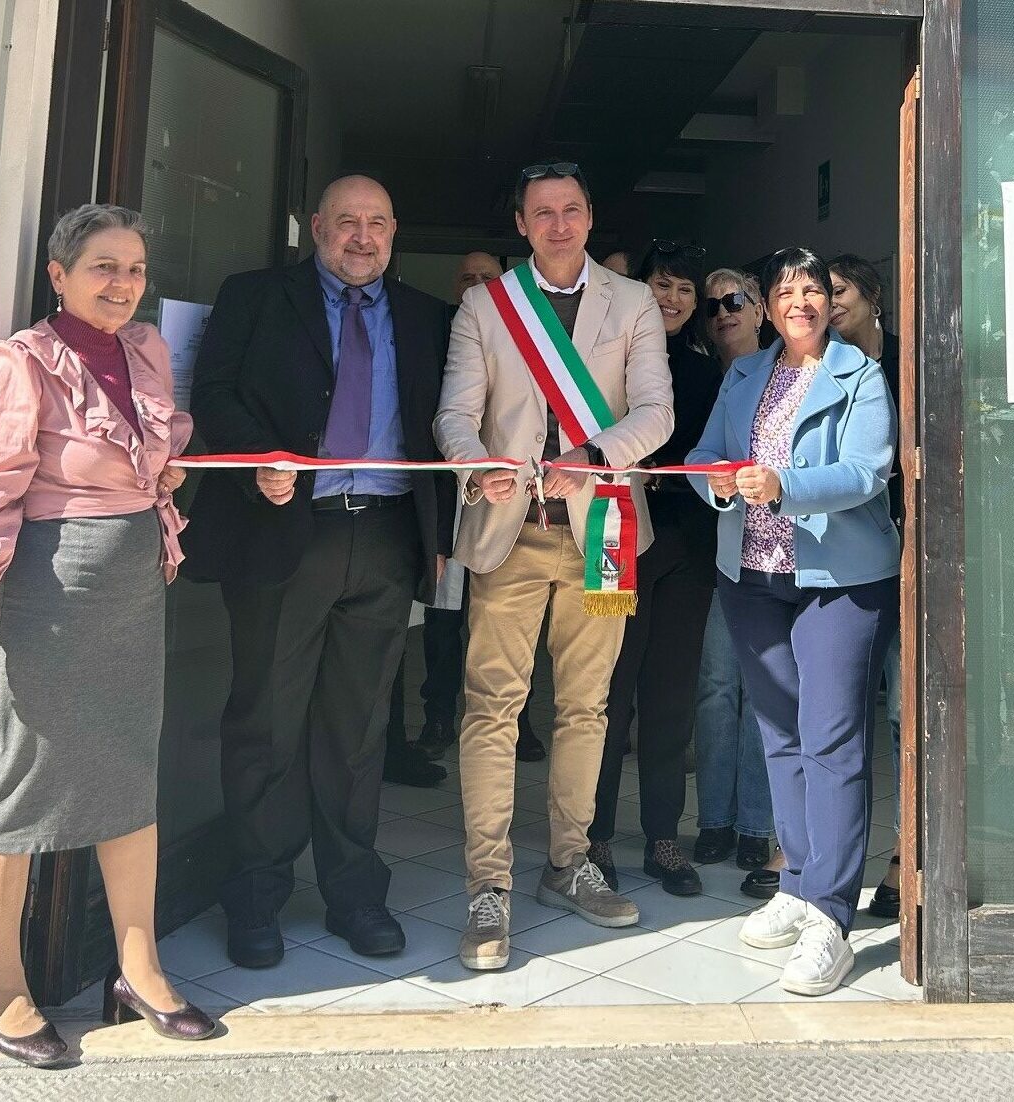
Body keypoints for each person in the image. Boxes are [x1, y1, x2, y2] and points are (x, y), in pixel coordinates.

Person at [0, 203, 215, 1066]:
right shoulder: (21, 361)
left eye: (134, 269)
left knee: (131, 771)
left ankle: (140, 968)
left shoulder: (146, 350)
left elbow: (159, 448)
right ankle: (3, 985)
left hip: (134, 587)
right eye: (103, 267)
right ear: (58, 275)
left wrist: (172, 468)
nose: (123, 284)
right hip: (48, 593)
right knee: (25, 782)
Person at [183, 175, 454, 969]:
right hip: (283, 533)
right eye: (346, 223)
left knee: (359, 726)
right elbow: (214, 393)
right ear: (315, 227)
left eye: (378, 223)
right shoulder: (255, 296)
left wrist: (452, 522)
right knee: (266, 721)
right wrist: (257, 460)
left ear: (394, 231)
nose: (363, 238)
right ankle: (256, 893)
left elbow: (446, 423)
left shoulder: (427, 316)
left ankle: (354, 892)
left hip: (387, 536)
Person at [435, 161, 672, 970]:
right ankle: (487, 887)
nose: (559, 224)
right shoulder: (486, 304)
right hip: (510, 534)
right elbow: (454, 415)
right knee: (491, 709)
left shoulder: (632, 301)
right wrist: (476, 466)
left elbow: (657, 412)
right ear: (522, 223)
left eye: (571, 209)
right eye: (543, 212)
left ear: (590, 216)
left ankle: (570, 863)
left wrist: (595, 456)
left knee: (587, 708)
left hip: (603, 531)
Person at [687, 247, 898, 997]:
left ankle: (832, 918)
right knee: (779, 732)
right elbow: (705, 453)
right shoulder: (745, 373)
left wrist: (784, 485)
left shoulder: (859, 374)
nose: (801, 302)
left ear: (827, 303)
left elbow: (867, 471)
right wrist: (718, 481)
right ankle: (800, 884)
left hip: (839, 580)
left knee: (832, 739)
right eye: (785, 291)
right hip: (752, 574)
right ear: (768, 306)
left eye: (813, 290)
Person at [587, 241, 720, 897]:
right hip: (614, 541)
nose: (670, 299)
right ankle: (594, 835)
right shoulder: (608, 362)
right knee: (606, 695)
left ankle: (663, 836)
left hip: (687, 549)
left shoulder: (708, 372)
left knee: (670, 696)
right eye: (661, 285)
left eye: (684, 290)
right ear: (638, 291)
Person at [386, 249, 548, 766]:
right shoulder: (436, 332)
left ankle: (520, 722)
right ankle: (438, 717)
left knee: (509, 626)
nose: (476, 284)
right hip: (449, 495)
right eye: (468, 278)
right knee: (442, 620)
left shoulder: (525, 334)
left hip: (504, 503)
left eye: (487, 277)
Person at [691, 268, 778, 888]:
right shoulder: (724, 378)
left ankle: (755, 825)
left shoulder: (798, 369)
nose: (723, 311)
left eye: (736, 300)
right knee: (717, 686)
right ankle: (715, 820)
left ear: (762, 310)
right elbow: (700, 456)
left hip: (785, 557)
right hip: (724, 552)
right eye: (713, 304)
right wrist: (717, 485)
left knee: (763, 695)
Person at [829, 254, 903, 920]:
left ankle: (906, 855)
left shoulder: (912, 363)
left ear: (874, 297)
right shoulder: (819, 368)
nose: (827, 302)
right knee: (838, 711)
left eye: (839, 290)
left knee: (905, 709)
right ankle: (813, 856)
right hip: (845, 556)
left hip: (915, 554)